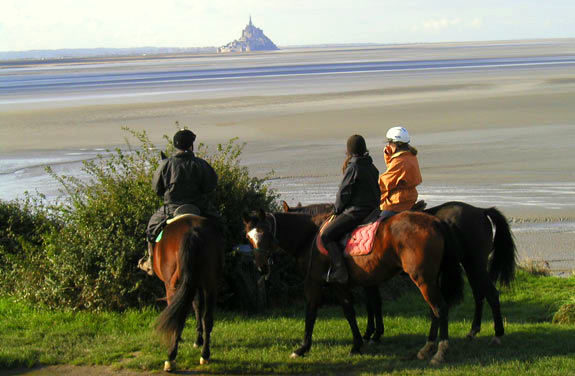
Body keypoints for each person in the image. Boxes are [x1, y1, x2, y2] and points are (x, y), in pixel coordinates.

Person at [138, 129, 219, 275]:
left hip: (170, 209)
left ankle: (150, 260)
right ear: (191, 146)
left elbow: (157, 189)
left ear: (176, 145)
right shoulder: (200, 164)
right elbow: (210, 186)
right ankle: (226, 256)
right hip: (199, 207)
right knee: (219, 224)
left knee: (151, 228)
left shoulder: (166, 165)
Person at [320, 135, 380, 284]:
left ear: (349, 151)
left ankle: (340, 271)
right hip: (373, 211)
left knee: (326, 235)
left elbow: (344, 192)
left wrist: (337, 210)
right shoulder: (371, 166)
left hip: (356, 212)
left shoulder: (353, 167)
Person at [379, 126, 422, 218]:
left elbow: (385, 182)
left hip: (398, 202)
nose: (388, 145)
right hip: (409, 197)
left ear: (396, 144)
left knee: (376, 222)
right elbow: (394, 172)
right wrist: (389, 156)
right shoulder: (410, 155)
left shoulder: (400, 161)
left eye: (390, 142)